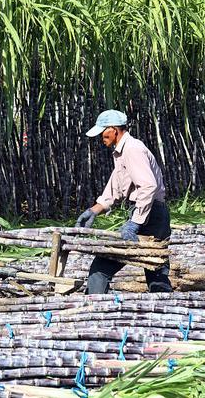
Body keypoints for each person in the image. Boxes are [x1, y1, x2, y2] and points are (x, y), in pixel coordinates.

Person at [75, 109, 172, 294]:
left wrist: (135, 223)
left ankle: (96, 310)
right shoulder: (122, 152)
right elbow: (115, 188)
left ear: (113, 129)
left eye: (103, 132)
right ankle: (168, 310)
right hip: (152, 214)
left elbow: (148, 186)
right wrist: (93, 211)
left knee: (102, 267)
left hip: (149, 215)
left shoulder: (132, 149)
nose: (101, 138)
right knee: (155, 270)